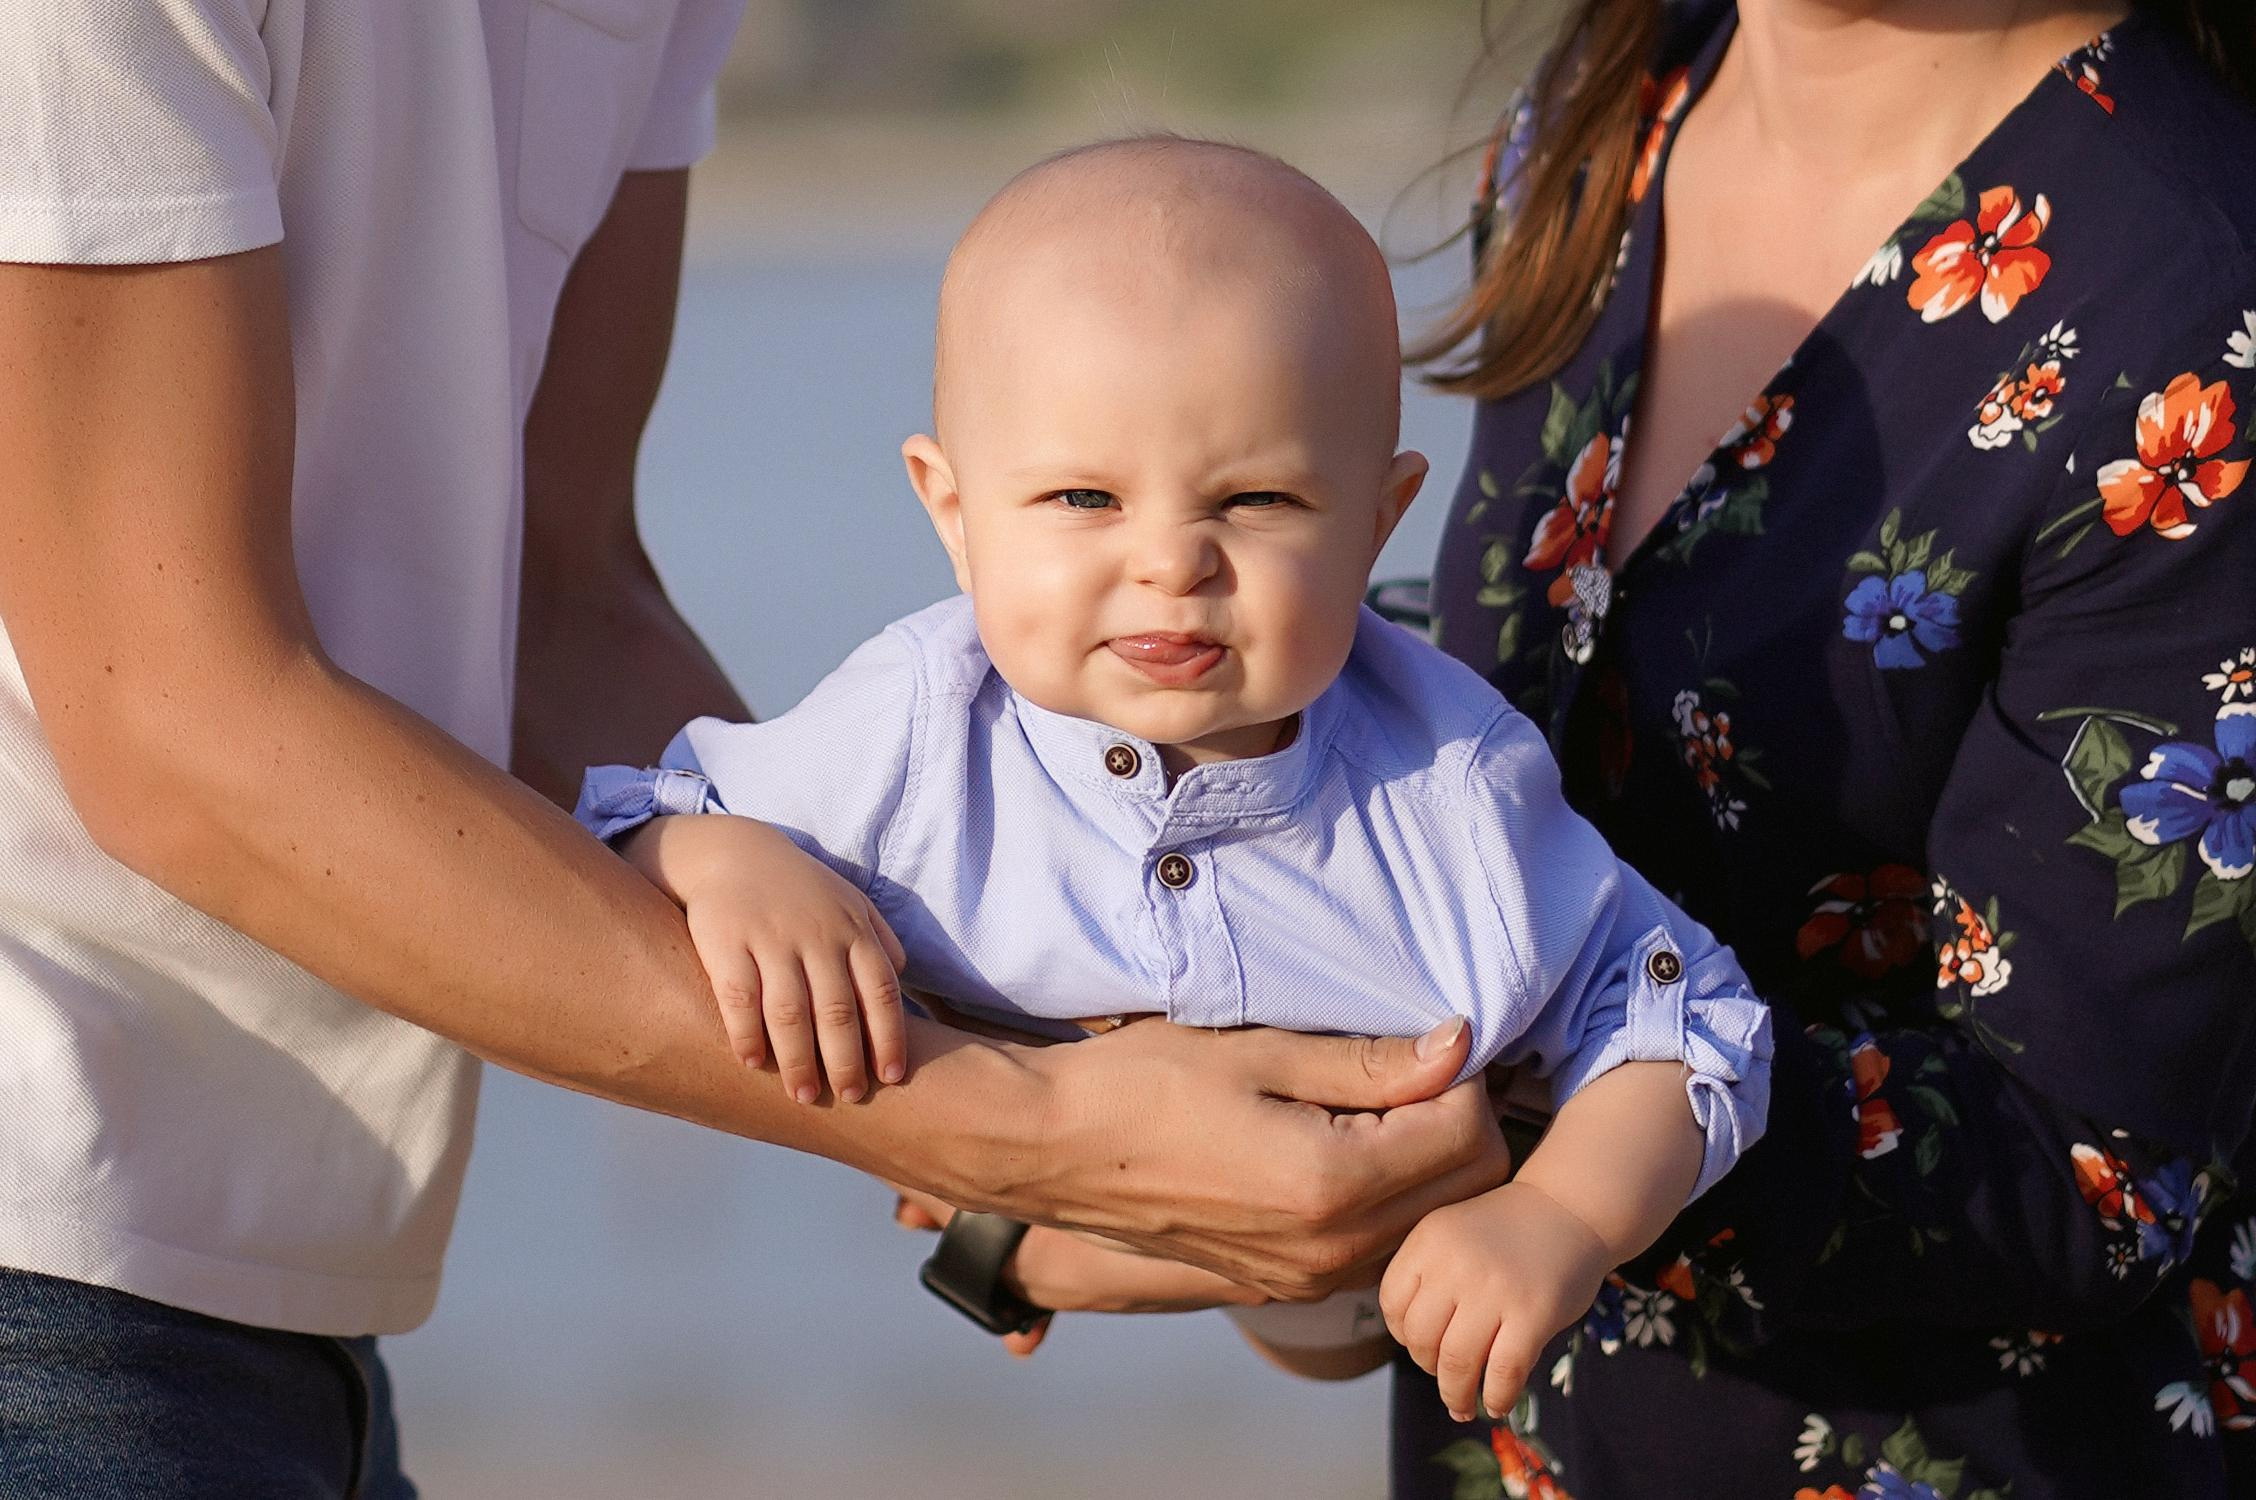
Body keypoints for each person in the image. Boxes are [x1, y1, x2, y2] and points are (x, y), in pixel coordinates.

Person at [0, 7, 1512, 1494]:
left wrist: (1173, 1060)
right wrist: (1035, 1135)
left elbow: (561, 595)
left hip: (313, 1289)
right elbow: (170, 720)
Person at [574, 137, 1773, 1421]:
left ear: (1377, 519)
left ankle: (1056, 1259)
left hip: (1382, 1264)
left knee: (1344, 1334)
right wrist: (727, 864)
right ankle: (1020, 1256)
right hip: (1021, 1180)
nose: (1171, 562)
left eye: (1255, 500)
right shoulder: (919, 723)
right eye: (1086, 496)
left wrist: (1558, 1218)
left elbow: (1688, 1024)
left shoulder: (1448, 783)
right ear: (952, 508)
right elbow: (637, 811)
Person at [1379, 0, 2256, 1495]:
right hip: (1518, 1434)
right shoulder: (1613, 105)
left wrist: (1479, 1138)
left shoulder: (2195, 308)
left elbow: (2095, 1170)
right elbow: (1503, 745)